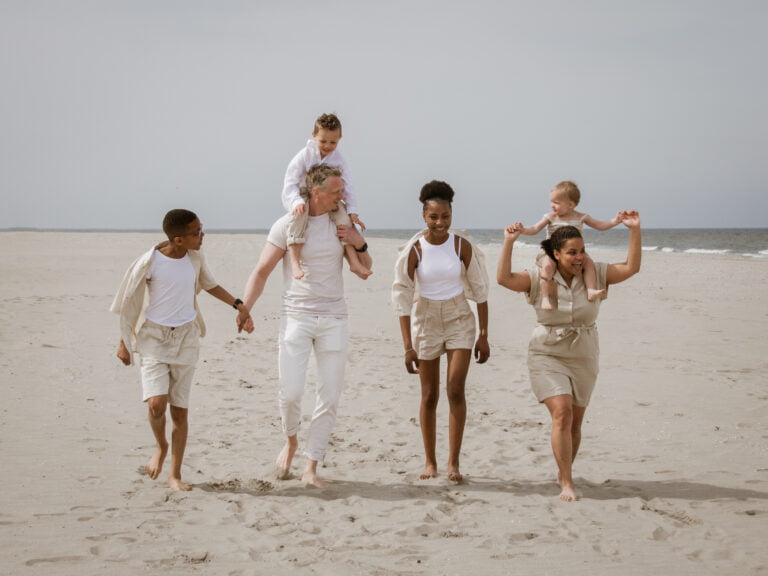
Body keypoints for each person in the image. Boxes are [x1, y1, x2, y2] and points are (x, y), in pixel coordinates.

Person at [242, 164, 372, 487]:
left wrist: (358, 241)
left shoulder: (340, 223)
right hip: (296, 317)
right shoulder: (287, 225)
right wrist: (245, 308)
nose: (342, 197)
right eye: (336, 192)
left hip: (334, 319)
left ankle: (311, 468)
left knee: (329, 397)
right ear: (316, 192)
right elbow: (261, 270)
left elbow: (366, 267)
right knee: (290, 393)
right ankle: (291, 441)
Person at [496, 211, 641, 501]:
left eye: (582, 251)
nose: (579, 257)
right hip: (547, 352)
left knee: (574, 422)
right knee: (561, 411)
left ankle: (564, 472)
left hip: (584, 354)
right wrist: (509, 242)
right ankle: (567, 483)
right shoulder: (539, 277)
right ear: (556, 254)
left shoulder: (596, 273)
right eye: (572, 252)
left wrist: (634, 231)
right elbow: (504, 279)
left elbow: (630, 268)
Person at [111, 209, 253, 491]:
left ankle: (175, 474)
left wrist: (239, 305)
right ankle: (160, 446)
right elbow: (130, 303)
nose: (203, 236)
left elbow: (210, 285)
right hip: (153, 337)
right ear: (178, 239)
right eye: (197, 232)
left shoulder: (195, 259)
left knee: (179, 412)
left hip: (186, 338)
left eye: (201, 229)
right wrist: (123, 342)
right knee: (156, 404)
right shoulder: (149, 263)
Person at [392, 180, 490, 482]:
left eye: (445, 217)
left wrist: (484, 334)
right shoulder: (414, 249)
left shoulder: (462, 245)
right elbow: (402, 296)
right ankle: (430, 462)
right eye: (433, 217)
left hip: (460, 316)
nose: (439, 223)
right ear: (424, 216)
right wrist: (407, 345)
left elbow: (481, 290)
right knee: (430, 395)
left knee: (455, 389)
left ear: (451, 216)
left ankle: (453, 463)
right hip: (426, 321)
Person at [282, 112, 371, 280]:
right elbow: (290, 182)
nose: (328, 146)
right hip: (303, 195)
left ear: (340, 139)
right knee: (297, 219)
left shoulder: (339, 159)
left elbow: (348, 185)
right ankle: (295, 261)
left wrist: (353, 210)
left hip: (330, 198)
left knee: (345, 220)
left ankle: (353, 261)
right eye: (323, 141)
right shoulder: (304, 155)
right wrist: (296, 202)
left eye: (333, 142)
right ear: (314, 135)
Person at [517, 181, 623, 310]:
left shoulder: (581, 217)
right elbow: (535, 228)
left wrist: (615, 221)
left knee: (589, 263)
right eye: (552, 202)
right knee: (547, 267)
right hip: (552, 252)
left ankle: (590, 290)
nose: (552, 206)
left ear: (571, 204)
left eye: (556, 203)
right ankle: (545, 298)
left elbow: (600, 226)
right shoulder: (550, 217)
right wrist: (523, 230)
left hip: (575, 253)